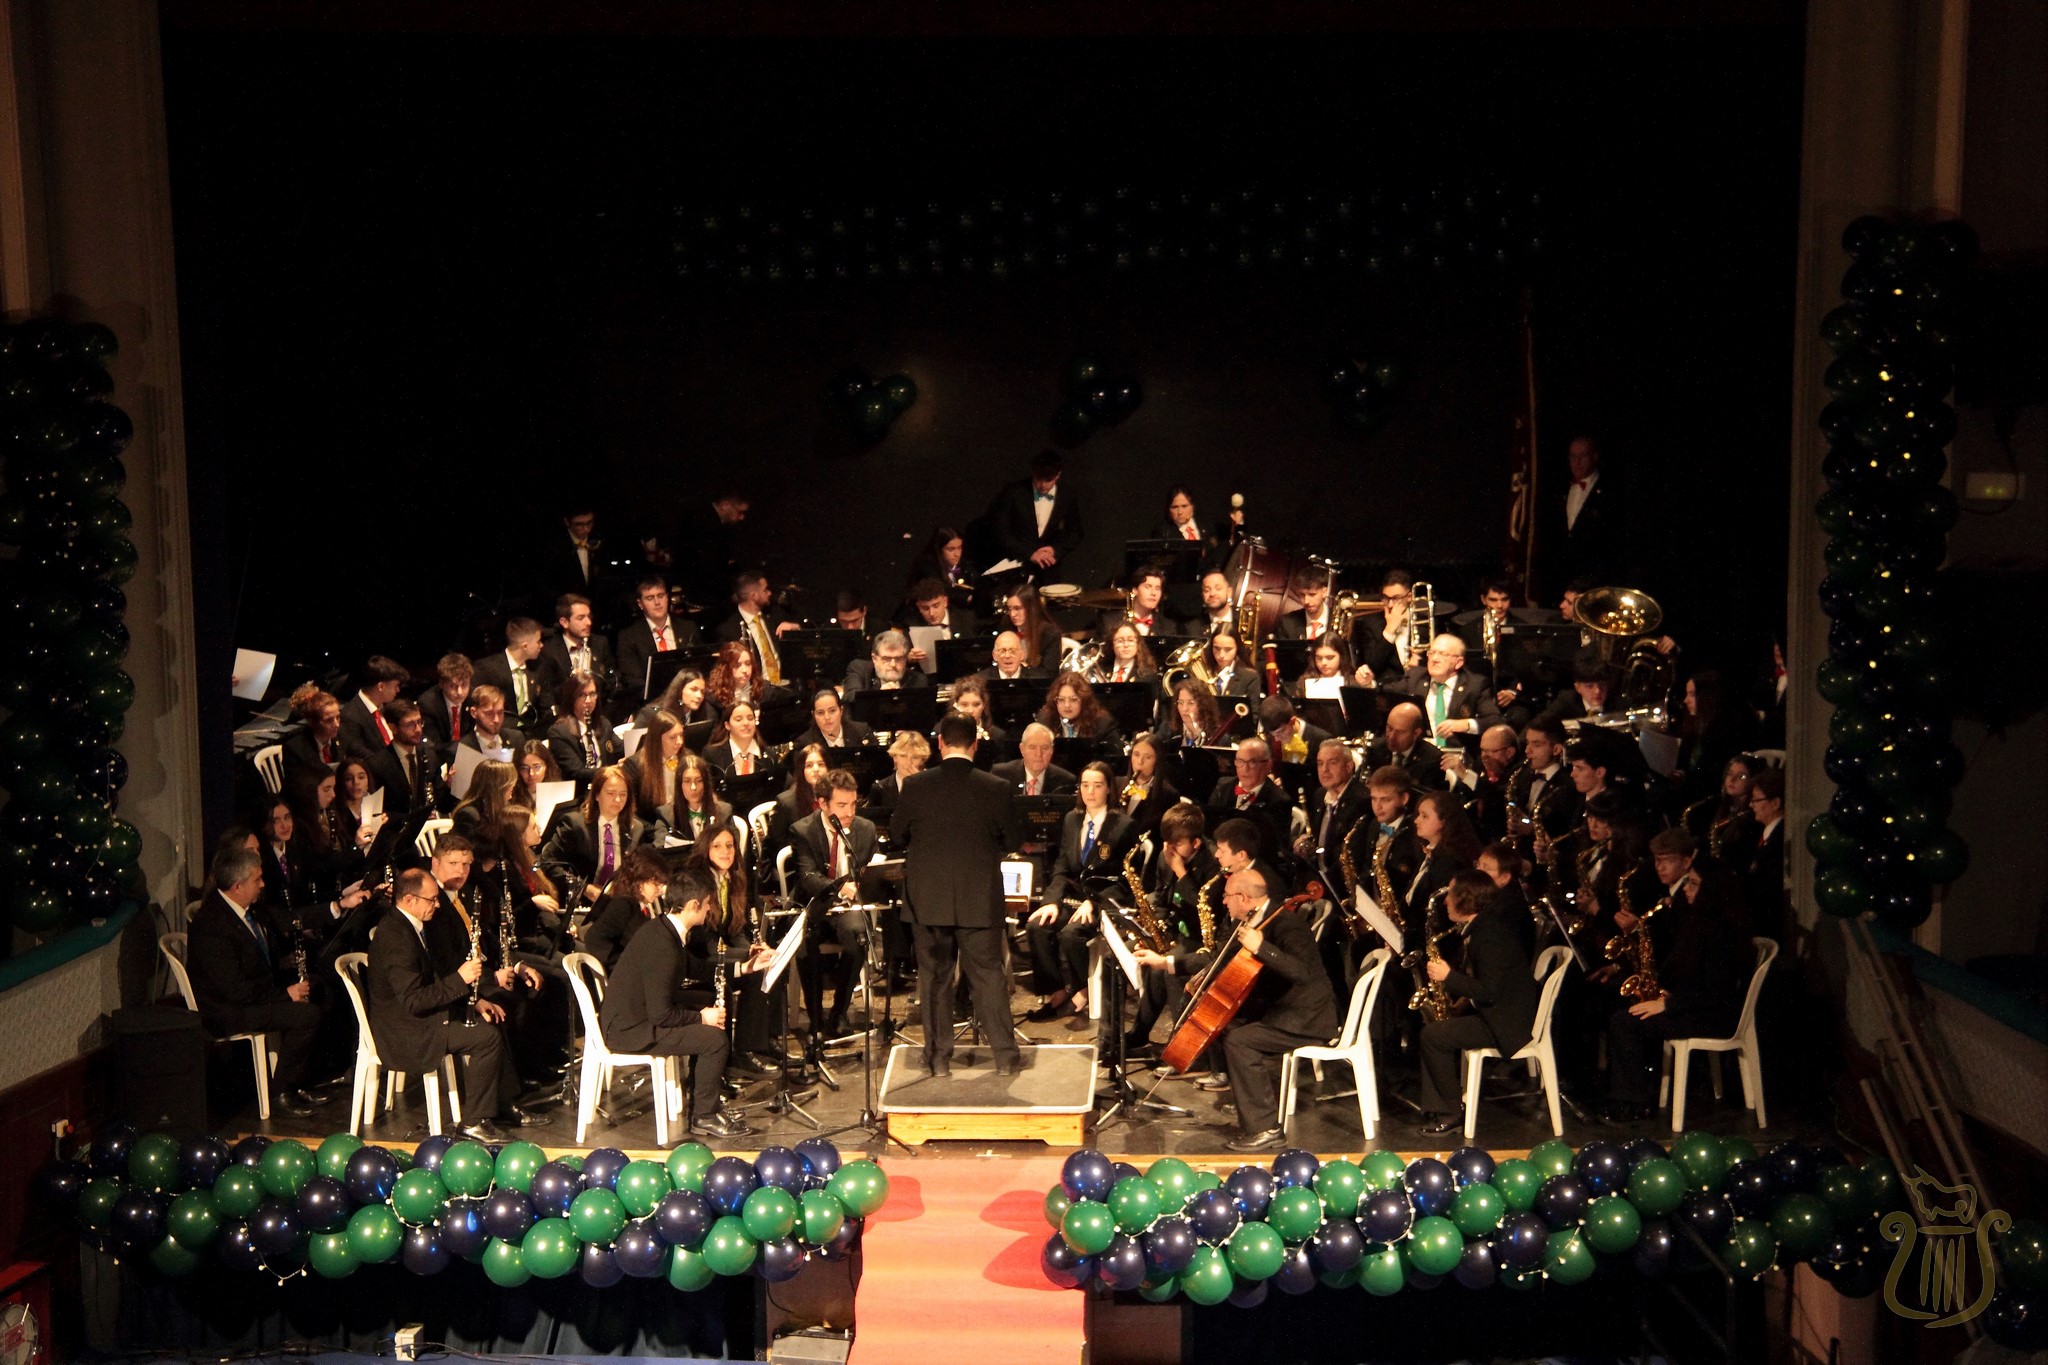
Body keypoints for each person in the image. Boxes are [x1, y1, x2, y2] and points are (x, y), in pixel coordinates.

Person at [890, 713, 1025, 1077]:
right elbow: (1013, 840)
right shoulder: (996, 787)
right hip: (979, 898)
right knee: (989, 976)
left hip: (927, 900)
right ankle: (1006, 1058)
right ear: (975, 745)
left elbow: (898, 835)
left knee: (934, 978)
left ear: (940, 744)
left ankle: (938, 1060)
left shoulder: (915, 786)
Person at [1602, 828, 1750, 1123]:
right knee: (1625, 1013)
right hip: (1697, 1005)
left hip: (1715, 1016)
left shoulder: (1719, 932)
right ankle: (1626, 1094)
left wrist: (1667, 1004)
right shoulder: (1702, 922)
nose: (1686, 890)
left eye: (1694, 884)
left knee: (1624, 1022)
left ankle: (1634, 1102)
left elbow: (1715, 994)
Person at [598, 864, 756, 1138]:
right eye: (707, 904)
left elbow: (696, 967)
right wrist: (702, 1017)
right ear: (694, 905)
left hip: (637, 1015)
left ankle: (702, 1094)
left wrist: (744, 968)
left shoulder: (664, 929)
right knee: (714, 1040)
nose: (709, 909)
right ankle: (704, 1116)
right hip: (630, 1030)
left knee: (707, 998)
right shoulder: (663, 945)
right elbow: (661, 1015)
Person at [366, 865, 518, 1142]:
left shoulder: (411, 926)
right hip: (407, 1030)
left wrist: (476, 1000)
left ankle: (498, 1106)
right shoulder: (396, 937)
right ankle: (473, 1122)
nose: (437, 905)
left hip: (420, 1018)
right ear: (409, 900)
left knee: (492, 1020)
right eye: (432, 899)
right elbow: (414, 1000)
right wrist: (460, 979)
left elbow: (431, 982)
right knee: (486, 1039)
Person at [185, 845, 323, 1117]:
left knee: (320, 989)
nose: (263, 884)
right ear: (237, 886)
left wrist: (282, 964)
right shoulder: (213, 926)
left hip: (248, 996)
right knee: (306, 1015)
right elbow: (234, 989)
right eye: (257, 879)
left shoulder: (249, 910)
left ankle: (301, 1080)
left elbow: (251, 961)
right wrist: (285, 994)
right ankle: (281, 1091)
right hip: (227, 1010)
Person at [1215, 866, 1340, 1152]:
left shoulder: (1287, 924)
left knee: (1240, 1041)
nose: (1224, 901)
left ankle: (1265, 1129)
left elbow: (1301, 972)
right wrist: (1171, 964)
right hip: (1282, 1010)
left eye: (1227, 896)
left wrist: (1262, 948)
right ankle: (1249, 1103)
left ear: (1244, 898)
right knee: (1225, 1024)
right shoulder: (1251, 921)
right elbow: (1222, 960)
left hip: (1306, 1018)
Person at [1415, 869, 1539, 1134]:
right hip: (1499, 1012)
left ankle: (1450, 1112)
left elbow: (1489, 991)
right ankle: (1443, 1102)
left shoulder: (1489, 935)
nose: (1446, 901)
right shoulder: (1482, 927)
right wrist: (1463, 1000)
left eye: (1451, 894)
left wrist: (1448, 977)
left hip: (1506, 1023)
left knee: (1433, 1036)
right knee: (1437, 1029)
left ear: (1466, 899)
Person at [1024, 762, 1135, 1022]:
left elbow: (1124, 879)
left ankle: (1082, 987)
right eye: (1085, 785)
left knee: (1071, 934)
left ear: (1108, 789)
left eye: (1097, 785)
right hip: (1073, 897)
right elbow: (1062, 865)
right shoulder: (1072, 819)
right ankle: (1057, 990)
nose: (1090, 791)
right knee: (1036, 926)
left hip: (1105, 899)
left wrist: (1094, 902)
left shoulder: (1123, 825)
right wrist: (1051, 901)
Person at [1128, 804, 1223, 1052]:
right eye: (1167, 842)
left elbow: (1205, 912)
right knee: (1128, 956)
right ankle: (1138, 1033)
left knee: (1167, 970)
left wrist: (1181, 872)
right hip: (1175, 929)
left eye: (1177, 843)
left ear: (1196, 843)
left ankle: (1180, 1044)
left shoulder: (1213, 864)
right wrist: (1152, 928)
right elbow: (1161, 898)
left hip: (1201, 937)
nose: (1169, 849)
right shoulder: (1166, 855)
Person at [790, 770, 877, 1041]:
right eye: (841, 805)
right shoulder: (803, 830)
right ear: (823, 803)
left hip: (848, 907)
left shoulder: (865, 829)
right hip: (816, 903)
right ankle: (815, 1018)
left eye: (853, 804)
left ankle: (839, 1012)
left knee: (859, 936)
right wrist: (839, 886)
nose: (849, 812)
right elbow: (807, 877)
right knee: (805, 943)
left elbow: (870, 870)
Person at [539, 765, 645, 906]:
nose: (618, 800)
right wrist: (583, 888)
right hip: (581, 903)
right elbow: (548, 862)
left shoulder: (635, 828)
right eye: (611, 793)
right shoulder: (574, 824)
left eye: (623, 794)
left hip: (617, 904)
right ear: (596, 795)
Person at [1384, 635, 1502, 752]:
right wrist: (1373, 683)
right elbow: (1386, 692)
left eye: (1442, 654)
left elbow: (1494, 720)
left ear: (1458, 662)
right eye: (1432, 653)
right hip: (1421, 753)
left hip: (1455, 752)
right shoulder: (1415, 677)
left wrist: (1465, 725)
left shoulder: (1474, 685)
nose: (1434, 659)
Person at [1544, 434, 1623, 594]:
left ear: (1595, 457)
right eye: (1573, 456)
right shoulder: (1560, 488)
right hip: (1562, 578)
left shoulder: (1610, 492)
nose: (1577, 462)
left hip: (1593, 579)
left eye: (1583, 456)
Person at [987, 448, 1083, 573]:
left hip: (1048, 568)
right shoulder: (1014, 492)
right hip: (1017, 565)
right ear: (1033, 472)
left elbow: (1075, 533)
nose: (1043, 485)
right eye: (1039, 478)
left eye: (1048, 480)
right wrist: (1030, 553)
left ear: (1058, 475)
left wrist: (1054, 550)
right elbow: (1000, 531)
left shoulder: (1066, 496)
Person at [1298, 738, 1371, 899]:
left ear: (1349, 767)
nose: (1324, 770)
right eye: (1320, 763)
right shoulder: (1319, 796)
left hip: (1342, 888)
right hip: (1319, 880)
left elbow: (1353, 855)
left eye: (1332, 763)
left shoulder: (1361, 801)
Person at [579, 847, 670, 974]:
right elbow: (593, 939)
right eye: (656, 884)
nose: (659, 890)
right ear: (639, 881)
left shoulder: (638, 905)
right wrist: (625, 964)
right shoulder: (623, 905)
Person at [365, 699, 452, 825]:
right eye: (410, 725)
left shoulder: (430, 756)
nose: (418, 730)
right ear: (393, 728)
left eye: (419, 722)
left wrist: (449, 786)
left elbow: (443, 806)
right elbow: (380, 814)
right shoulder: (377, 766)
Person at [616, 576, 698, 704]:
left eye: (660, 596)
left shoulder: (688, 629)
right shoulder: (628, 637)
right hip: (651, 703)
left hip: (689, 699)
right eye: (650, 598)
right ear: (640, 604)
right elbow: (633, 681)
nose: (657, 602)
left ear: (667, 598)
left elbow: (698, 668)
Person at [715, 569, 800, 688]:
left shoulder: (774, 615)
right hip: (757, 689)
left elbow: (805, 627)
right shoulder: (729, 630)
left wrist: (795, 627)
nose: (769, 593)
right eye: (765, 590)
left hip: (785, 686)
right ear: (754, 596)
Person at [547, 670, 623, 796]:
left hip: (607, 788)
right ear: (571, 698)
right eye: (582, 695)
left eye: (592, 694)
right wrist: (610, 772)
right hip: (580, 793)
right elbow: (576, 772)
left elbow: (621, 750)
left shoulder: (603, 724)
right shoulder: (559, 732)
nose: (588, 700)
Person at [1445, 723, 1521, 842]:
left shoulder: (1520, 772)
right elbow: (1466, 794)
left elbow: (1496, 796)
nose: (1484, 756)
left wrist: (1466, 775)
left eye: (1491, 751)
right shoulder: (1481, 764)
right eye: (1482, 750)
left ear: (1509, 752)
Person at [1737, 767, 1787, 947]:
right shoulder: (1765, 834)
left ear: (1775, 803)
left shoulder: (1779, 839)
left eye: (1756, 800)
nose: (1751, 805)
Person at [472, 618, 551, 733]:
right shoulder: (488, 669)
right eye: (538, 641)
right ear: (525, 646)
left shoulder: (537, 667)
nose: (541, 645)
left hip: (532, 731)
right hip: (499, 732)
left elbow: (545, 706)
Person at [541, 593, 617, 707]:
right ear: (564, 622)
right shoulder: (550, 651)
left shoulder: (600, 643)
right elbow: (548, 695)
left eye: (589, 617)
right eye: (581, 618)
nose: (589, 622)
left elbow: (612, 681)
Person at [652, 754, 734, 858]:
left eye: (699, 781)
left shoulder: (724, 812)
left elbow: (734, 850)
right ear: (679, 785)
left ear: (706, 784)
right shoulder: (666, 815)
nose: (693, 787)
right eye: (687, 781)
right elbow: (660, 853)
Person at [1349, 571, 1420, 687]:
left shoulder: (1422, 622)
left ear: (1409, 597)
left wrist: (1419, 666)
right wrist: (1389, 631)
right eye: (1386, 598)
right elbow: (1370, 667)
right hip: (1388, 689)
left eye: (1396, 598)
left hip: (1419, 687)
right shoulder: (1371, 624)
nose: (1390, 604)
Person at [1364, 702, 1447, 791]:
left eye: (1400, 732)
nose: (1391, 737)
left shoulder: (1432, 759)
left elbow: (1426, 797)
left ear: (1416, 733)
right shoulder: (1376, 748)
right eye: (1389, 728)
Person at [622, 709, 687, 821]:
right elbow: (631, 811)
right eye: (672, 737)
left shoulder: (686, 758)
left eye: (681, 735)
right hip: (652, 827)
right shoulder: (634, 766)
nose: (679, 741)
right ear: (657, 739)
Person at [340, 656, 408, 760]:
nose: (398, 690)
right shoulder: (350, 716)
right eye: (396, 686)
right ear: (381, 687)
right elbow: (359, 754)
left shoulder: (388, 708)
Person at [414, 656, 475, 769]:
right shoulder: (428, 704)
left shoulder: (474, 698)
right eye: (453, 686)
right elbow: (434, 746)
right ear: (442, 684)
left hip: (468, 757)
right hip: (439, 761)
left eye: (464, 685)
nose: (460, 692)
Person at [1118, 734, 1181, 841]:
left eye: (1148, 757)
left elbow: (1166, 836)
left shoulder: (1168, 795)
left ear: (1157, 761)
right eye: (1136, 755)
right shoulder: (1117, 784)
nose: (1140, 762)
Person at [898, 577, 977, 659]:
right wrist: (908, 658)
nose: (931, 613)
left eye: (936, 606)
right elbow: (902, 655)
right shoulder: (911, 626)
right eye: (925, 608)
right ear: (918, 607)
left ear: (945, 602)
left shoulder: (966, 620)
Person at [905, 526, 977, 617]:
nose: (957, 554)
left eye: (959, 548)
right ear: (939, 550)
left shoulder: (963, 563)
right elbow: (941, 590)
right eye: (951, 549)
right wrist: (968, 598)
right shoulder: (926, 566)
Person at [702, 698, 774, 787]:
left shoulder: (770, 756)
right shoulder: (712, 756)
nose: (746, 723)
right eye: (738, 719)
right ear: (727, 725)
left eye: (750, 718)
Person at [991, 722, 1075, 796]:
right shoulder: (1000, 774)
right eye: (1032, 747)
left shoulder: (1065, 781)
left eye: (1045, 748)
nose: (1039, 754)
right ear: (1022, 749)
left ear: (1052, 750)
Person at [1038, 671, 1121, 745]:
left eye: (1073, 700)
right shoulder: (1045, 722)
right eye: (1061, 700)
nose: (1067, 705)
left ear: (1084, 700)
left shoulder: (1102, 724)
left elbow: (1115, 755)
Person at [842, 628, 931, 696]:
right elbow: (851, 697)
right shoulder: (860, 669)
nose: (893, 664)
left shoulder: (918, 680)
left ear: (905, 658)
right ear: (874, 658)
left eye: (898, 658)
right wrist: (880, 696)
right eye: (886, 659)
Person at [1001, 585, 1065, 673]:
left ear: (1031, 609)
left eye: (1017, 608)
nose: (1012, 614)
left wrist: (1023, 670)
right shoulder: (1007, 627)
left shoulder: (1049, 634)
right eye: (1009, 609)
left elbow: (1049, 673)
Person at [638, 666, 719, 730]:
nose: (699, 696)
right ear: (680, 690)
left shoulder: (707, 714)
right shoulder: (652, 714)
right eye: (694, 689)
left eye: (702, 691)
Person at [868, 730, 930, 812]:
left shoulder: (931, 788)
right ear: (895, 757)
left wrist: (920, 787)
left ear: (922, 760)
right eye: (903, 756)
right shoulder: (880, 789)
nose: (908, 762)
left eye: (915, 757)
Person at [792, 688, 874, 751]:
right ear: (813, 715)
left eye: (832, 711)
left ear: (841, 711)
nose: (827, 717)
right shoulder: (804, 744)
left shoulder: (862, 733)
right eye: (820, 713)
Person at [1099, 567, 1169, 639]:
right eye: (1148, 587)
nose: (1153, 593)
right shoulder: (1111, 622)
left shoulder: (1167, 627)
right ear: (1135, 590)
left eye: (1157, 588)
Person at [459, 685, 526, 758]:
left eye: (500, 713)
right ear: (474, 712)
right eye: (489, 714)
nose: (496, 720)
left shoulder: (516, 739)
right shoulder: (464, 748)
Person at [1275, 565, 1335, 643]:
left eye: (1312, 594)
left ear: (1325, 592)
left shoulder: (1338, 621)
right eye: (1302, 595)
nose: (1306, 601)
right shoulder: (1287, 623)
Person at [1158, 679, 1222, 751]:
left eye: (1191, 703)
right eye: (1180, 703)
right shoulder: (1167, 729)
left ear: (1203, 705)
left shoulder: (1219, 735)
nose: (1184, 709)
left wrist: (1195, 732)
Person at [1089, 621, 1158, 685]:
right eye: (1120, 641)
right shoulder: (1100, 669)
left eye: (1130, 640)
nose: (1126, 645)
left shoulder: (1148, 675)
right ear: (1112, 644)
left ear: (1138, 644)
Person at [944, 676, 1008, 745]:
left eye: (976, 704)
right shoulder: (943, 732)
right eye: (964, 704)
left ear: (984, 705)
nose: (970, 711)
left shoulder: (997, 736)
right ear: (956, 705)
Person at [1204, 630, 1258, 698]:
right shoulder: (1203, 672)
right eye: (1217, 649)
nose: (1221, 655)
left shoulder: (1250, 677)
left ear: (1237, 648)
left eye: (1228, 649)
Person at [1183, 570, 1236, 637]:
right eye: (1206, 590)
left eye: (1218, 588)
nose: (1212, 594)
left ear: (1229, 592)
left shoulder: (1243, 621)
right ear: (1202, 595)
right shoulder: (1192, 628)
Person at [981, 630, 1046, 683]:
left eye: (1013, 651)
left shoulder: (1039, 679)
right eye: (1002, 651)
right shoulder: (981, 680)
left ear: (1022, 655)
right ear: (994, 656)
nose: (1007, 656)